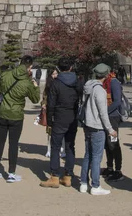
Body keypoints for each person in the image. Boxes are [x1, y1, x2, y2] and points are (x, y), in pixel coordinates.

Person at [0, 55, 40, 183]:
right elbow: (35, 99)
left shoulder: (6, 75)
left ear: (20, 63)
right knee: (13, 144)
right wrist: (35, 86)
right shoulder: (27, 82)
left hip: (2, 112)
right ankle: (11, 173)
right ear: (30, 67)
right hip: (16, 115)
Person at [40, 58, 82, 189]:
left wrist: (50, 119)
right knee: (70, 146)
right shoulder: (77, 82)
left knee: (56, 146)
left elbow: (51, 103)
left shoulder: (56, 83)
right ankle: (68, 175)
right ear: (70, 67)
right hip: (72, 115)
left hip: (59, 116)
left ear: (58, 68)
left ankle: (54, 176)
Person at [79, 64, 117, 196]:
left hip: (87, 123)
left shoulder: (88, 86)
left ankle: (83, 183)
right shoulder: (99, 90)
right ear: (106, 75)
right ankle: (95, 185)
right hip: (97, 126)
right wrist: (110, 129)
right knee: (96, 157)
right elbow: (103, 113)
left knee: (87, 154)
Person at [101, 69, 124, 182]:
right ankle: (110, 167)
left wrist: (105, 111)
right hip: (106, 117)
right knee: (106, 143)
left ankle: (118, 170)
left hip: (113, 117)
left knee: (113, 142)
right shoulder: (104, 82)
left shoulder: (113, 82)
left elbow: (117, 101)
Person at [40, 68, 63, 158]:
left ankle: (61, 148)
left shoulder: (61, 84)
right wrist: (43, 104)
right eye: (53, 74)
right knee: (50, 131)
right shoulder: (48, 85)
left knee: (61, 130)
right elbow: (44, 96)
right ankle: (48, 149)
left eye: (56, 73)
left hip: (59, 109)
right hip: (50, 109)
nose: (55, 75)